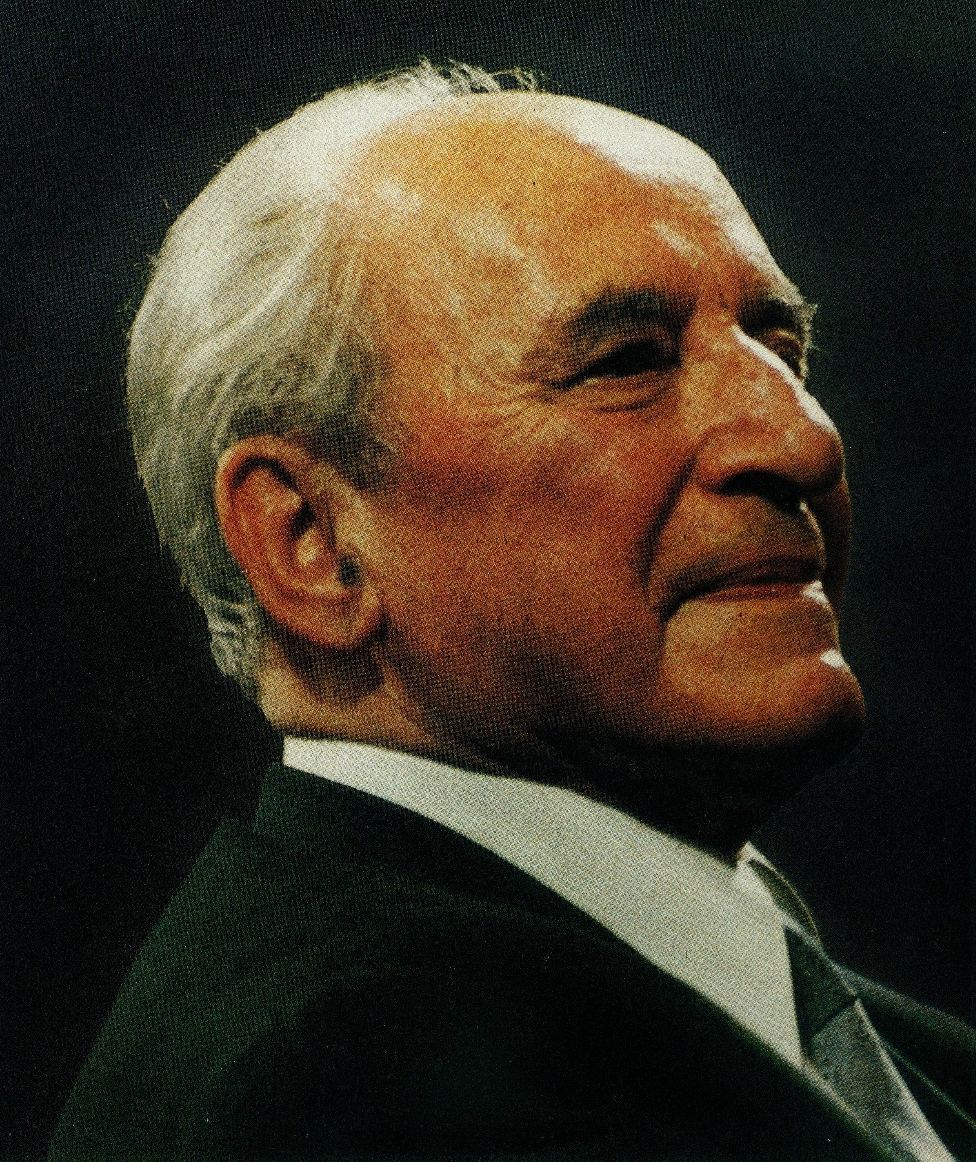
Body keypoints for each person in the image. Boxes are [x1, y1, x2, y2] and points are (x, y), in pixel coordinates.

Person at [49, 63, 974, 1161]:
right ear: (312, 542)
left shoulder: (893, 1053)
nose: (802, 440)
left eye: (783, 351)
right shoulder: (365, 1092)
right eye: (627, 363)